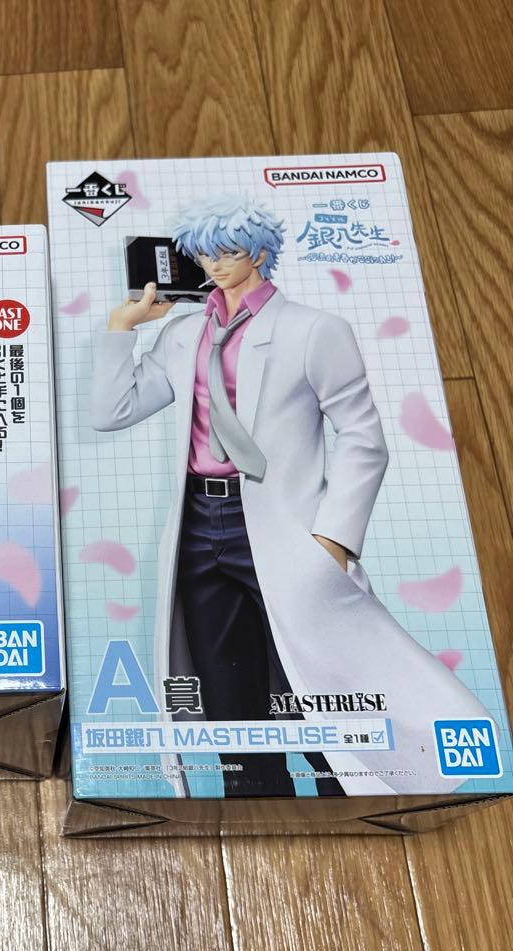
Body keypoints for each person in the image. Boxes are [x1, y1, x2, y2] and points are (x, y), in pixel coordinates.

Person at [91, 194, 489, 798]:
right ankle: (254, 799)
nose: (214, 264)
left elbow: (362, 437)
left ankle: (356, 792)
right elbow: (111, 412)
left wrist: (335, 538)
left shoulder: (314, 330)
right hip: (198, 521)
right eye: (203, 253)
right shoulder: (183, 334)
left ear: (258, 253)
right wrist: (122, 329)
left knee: (313, 683)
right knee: (228, 696)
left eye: (228, 251)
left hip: (282, 525)